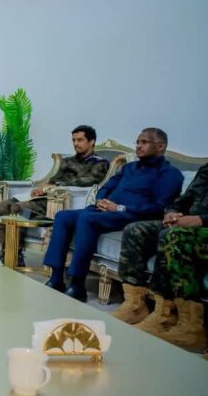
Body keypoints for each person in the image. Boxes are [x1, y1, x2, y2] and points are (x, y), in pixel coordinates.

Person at [43, 128, 184, 302]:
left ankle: (77, 283)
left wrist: (119, 208)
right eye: (137, 142)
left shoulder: (170, 174)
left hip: (132, 216)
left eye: (144, 142)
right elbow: (107, 187)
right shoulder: (129, 168)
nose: (138, 146)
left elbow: (158, 207)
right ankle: (56, 277)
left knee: (86, 218)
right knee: (63, 216)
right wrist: (100, 201)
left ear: (160, 146)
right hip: (106, 211)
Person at [113, 163, 207, 351]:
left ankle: (190, 327)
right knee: (135, 230)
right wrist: (171, 212)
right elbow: (184, 199)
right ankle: (137, 306)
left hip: (202, 227)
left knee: (173, 236)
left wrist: (200, 220)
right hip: (187, 224)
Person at [0, 125, 109, 265]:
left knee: (18, 208)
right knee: (4, 205)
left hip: (61, 201)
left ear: (91, 141)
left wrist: (57, 186)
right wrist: (42, 188)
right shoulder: (68, 161)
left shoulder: (100, 163)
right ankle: (5, 251)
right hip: (44, 197)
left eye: (80, 140)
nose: (76, 143)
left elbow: (89, 181)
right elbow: (53, 179)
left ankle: (16, 254)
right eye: (74, 140)